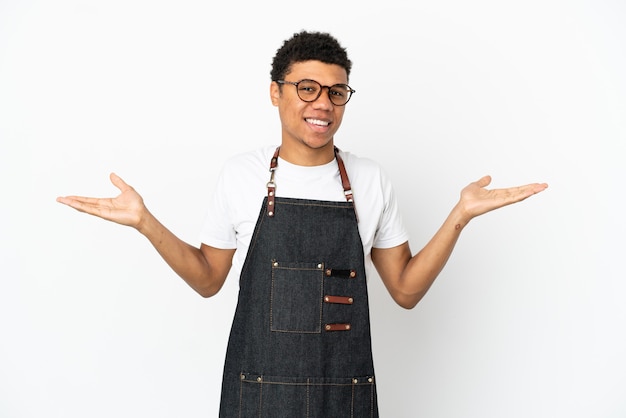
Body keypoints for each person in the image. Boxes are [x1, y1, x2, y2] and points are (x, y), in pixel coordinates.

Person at [57, 30, 547, 417]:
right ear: (276, 93)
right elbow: (208, 279)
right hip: (259, 395)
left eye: (336, 92)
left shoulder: (369, 179)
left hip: (344, 396)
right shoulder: (241, 174)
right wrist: (146, 222)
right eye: (307, 88)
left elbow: (405, 289)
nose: (323, 104)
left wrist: (459, 216)